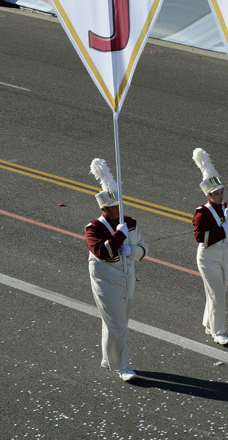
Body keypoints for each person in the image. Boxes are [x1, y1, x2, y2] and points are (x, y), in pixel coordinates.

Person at [85, 158, 147, 382]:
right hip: (106, 280)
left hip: (127, 277)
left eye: (119, 204)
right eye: (114, 206)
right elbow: (103, 251)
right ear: (104, 209)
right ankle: (123, 366)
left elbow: (143, 247)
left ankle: (108, 357)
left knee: (117, 322)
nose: (118, 209)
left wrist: (132, 251)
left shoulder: (129, 222)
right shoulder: (94, 228)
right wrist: (119, 236)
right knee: (116, 323)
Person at [191, 148, 228, 346]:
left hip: (225, 256)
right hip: (208, 258)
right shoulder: (201, 214)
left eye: (222, 192)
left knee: (217, 292)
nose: (220, 196)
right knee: (218, 295)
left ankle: (208, 323)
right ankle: (219, 332)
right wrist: (223, 229)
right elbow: (201, 238)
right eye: (216, 194)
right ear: (208, 195)